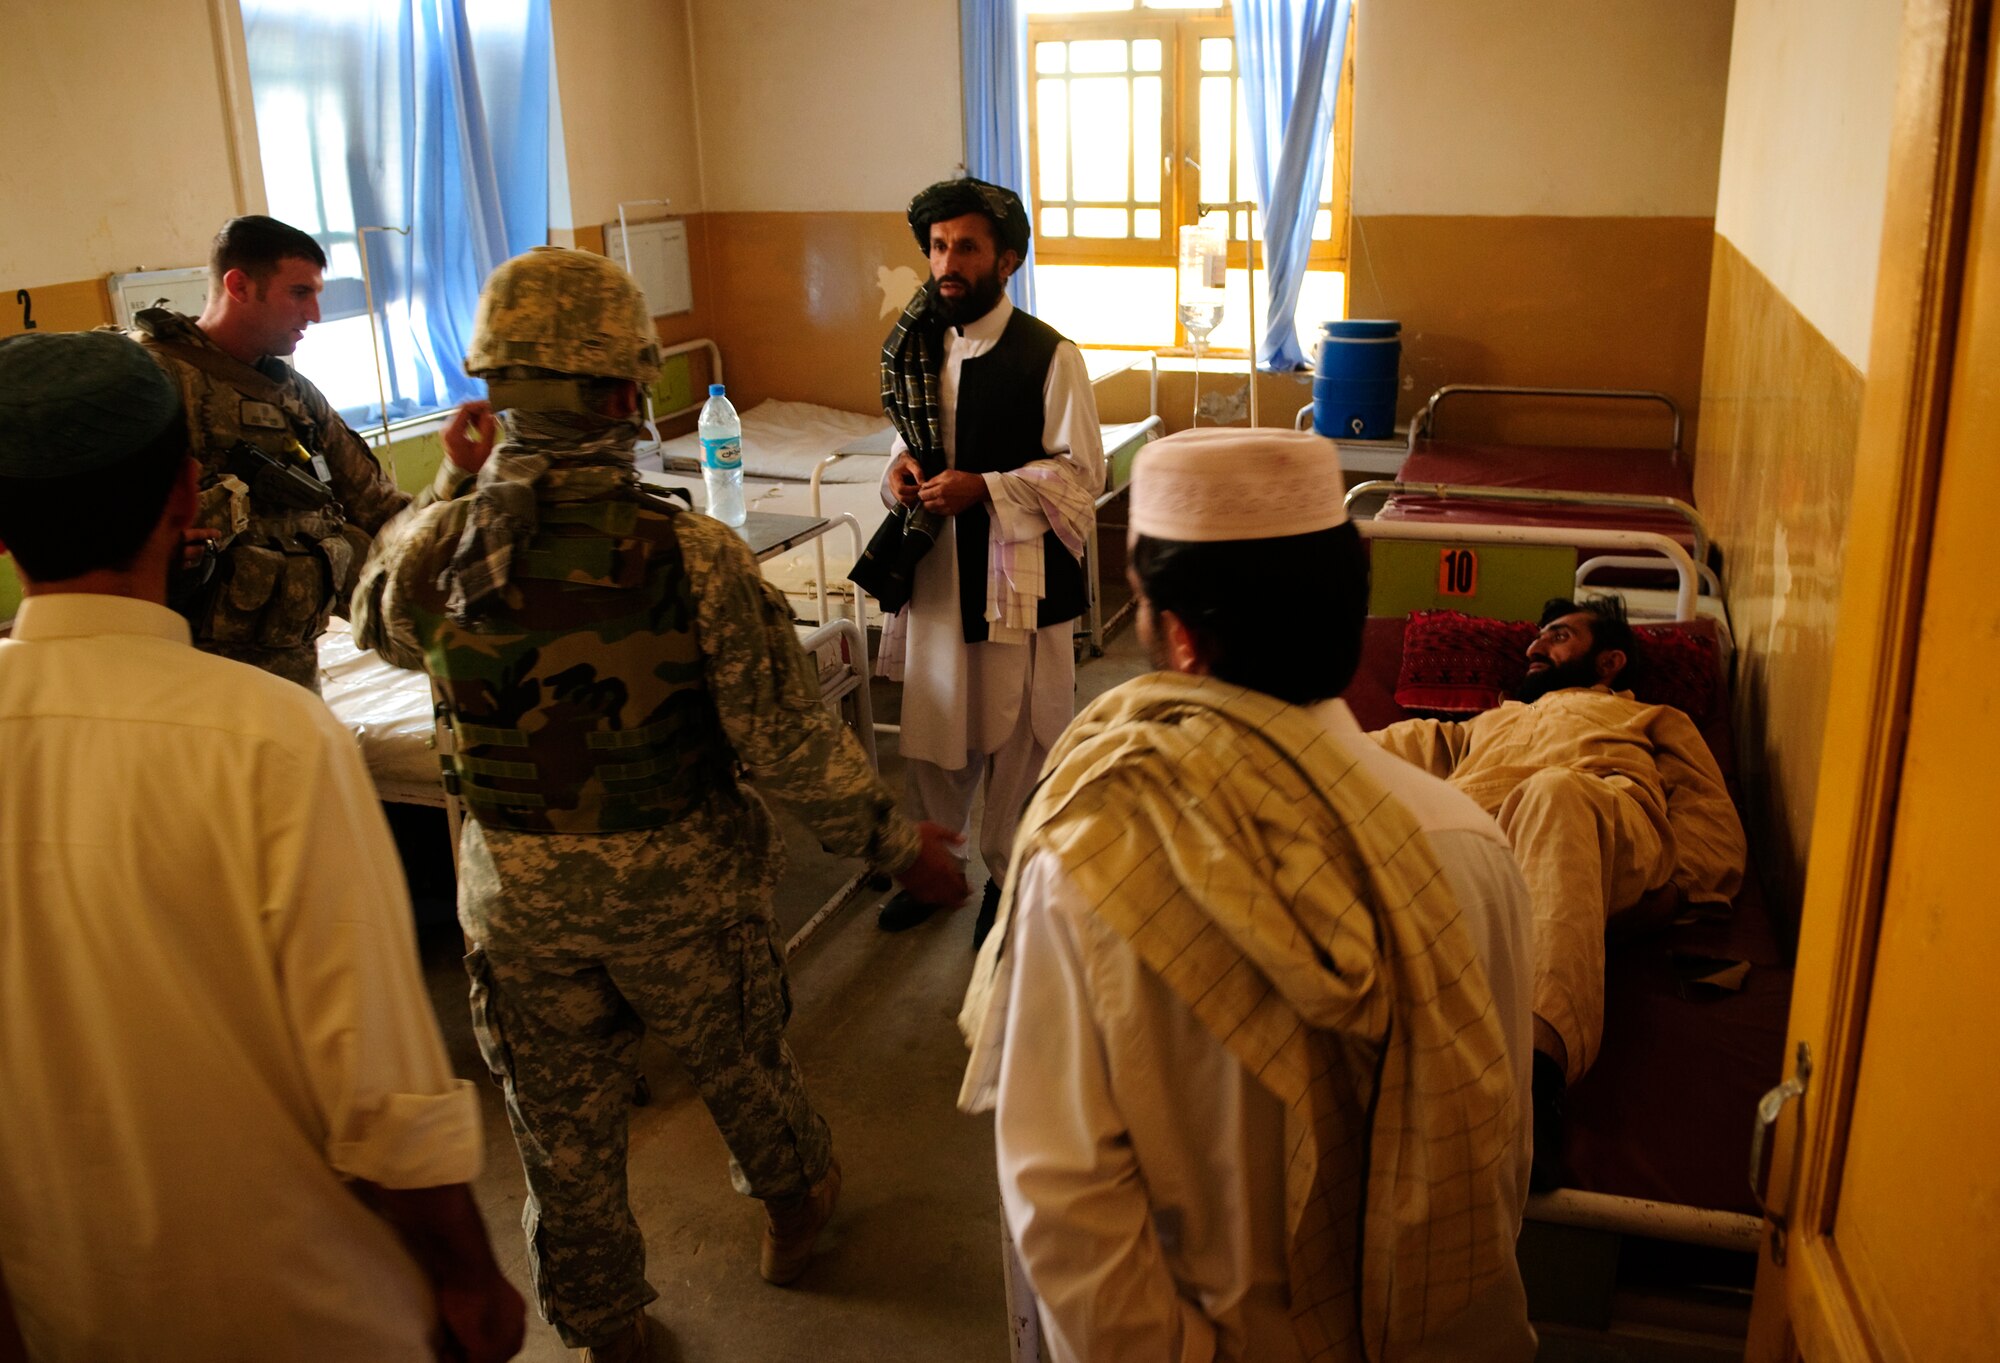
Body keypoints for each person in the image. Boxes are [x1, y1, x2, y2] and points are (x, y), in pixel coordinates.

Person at [351, 246, 968, 1362]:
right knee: (742, 1065)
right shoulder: (690, 554)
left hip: (518, 905)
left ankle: (606, 1325)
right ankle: (792, 1206)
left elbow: (378, 626)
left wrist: (453, 486)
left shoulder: (444, 547)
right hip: (681, 896)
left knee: (557, 1130)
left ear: (497, 391)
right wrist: (895, 847)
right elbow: (784, 740)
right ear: (624, 396)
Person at [960, 429, 1537, 1363]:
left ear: (1181, 637)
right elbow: (1494, 1152)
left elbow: (1065, 1205)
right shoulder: (1470, 848)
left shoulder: (1094, 855)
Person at [0, 330, 523, 1362]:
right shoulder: (271, 739)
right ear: (185, 494)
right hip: (294, 1305)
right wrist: (469, 1273)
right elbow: (380, 1087)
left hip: (65, 1300)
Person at [1371, 595, 1747, 1188]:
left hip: (1597, 824)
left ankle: (1535, 1084)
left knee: (1555, 793)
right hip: (1483, 844)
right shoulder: (1486, 724)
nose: (1535, 646)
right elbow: (1373, 753)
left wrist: (1671, 899)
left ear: (1610, 662)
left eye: (1560, 635)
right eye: (1539, 636)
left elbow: (1711, 821)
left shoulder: (1654, 718)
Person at [869, 176, 1105, 945]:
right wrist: (900, 471)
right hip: (939, 571)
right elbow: (907, 437)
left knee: (1020, 737)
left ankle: (1008, 881)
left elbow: (1082, 476)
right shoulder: (916, 344)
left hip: (1018, 580)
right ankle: (938, 864)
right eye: (938, 247)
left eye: (965, 247)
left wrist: (989, 488)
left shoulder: (1049, 355)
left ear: (1006, 260)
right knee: (937, 723)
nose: (947, 262)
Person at [129, 213, 472, 689]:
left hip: (291, 670)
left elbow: (380, 512)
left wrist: (456, 476)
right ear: (239, 286)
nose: (314, 314)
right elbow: (97, 525)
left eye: (316, 295)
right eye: (299, 293)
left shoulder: (296, 398)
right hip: (186, 675)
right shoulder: (151, 383)